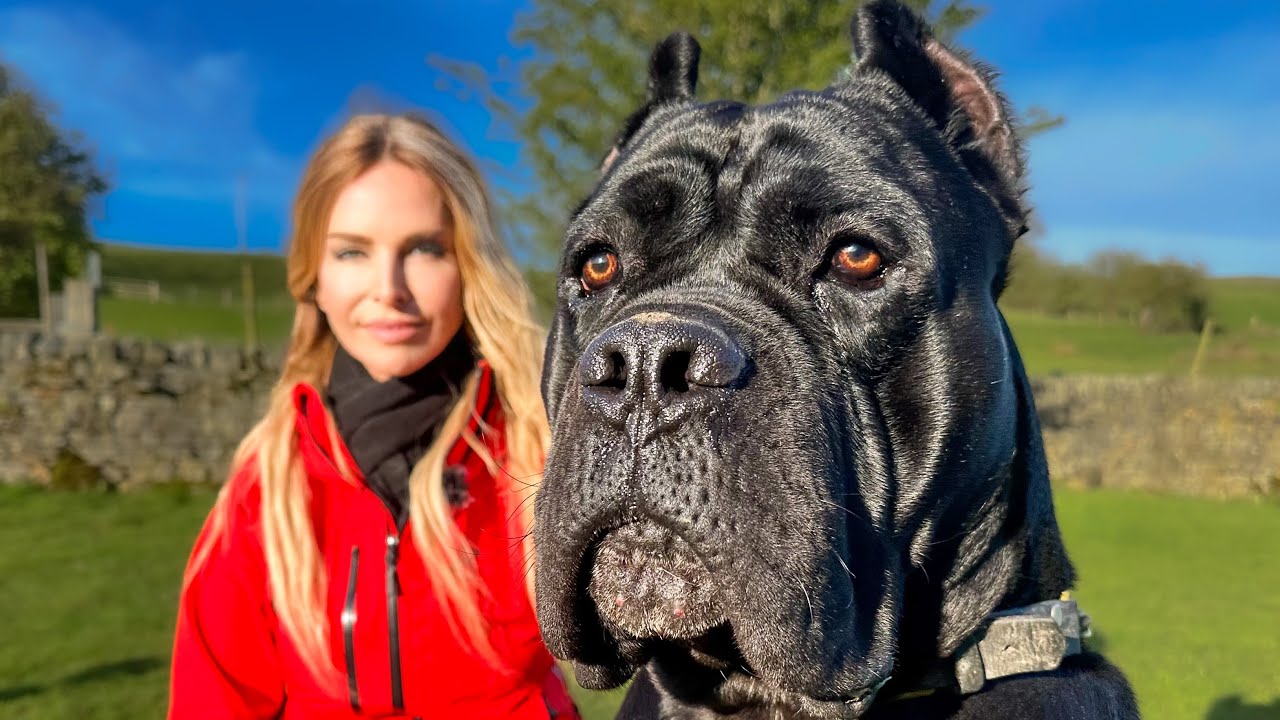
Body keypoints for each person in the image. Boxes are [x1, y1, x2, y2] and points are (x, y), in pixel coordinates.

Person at [168, 113, 580, 719]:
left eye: (424, 249)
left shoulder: (540, 450)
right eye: (352, 251)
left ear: (468, 265)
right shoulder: (268, 488)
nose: (389, 288)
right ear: (315, 278)